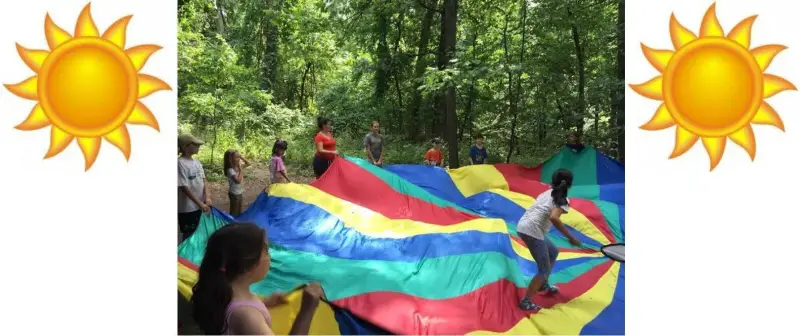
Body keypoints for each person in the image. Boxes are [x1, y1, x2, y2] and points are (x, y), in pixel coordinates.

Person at [191, 222, 325, 335]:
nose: (269, 256)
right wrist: (307, 309)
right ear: (246, 266)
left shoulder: (221, 291)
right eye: (266, 250)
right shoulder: (247, 316)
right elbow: (242, 316)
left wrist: (265, 303)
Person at [516, 169, 583, 311]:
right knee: (544, 268)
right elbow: (554, 218)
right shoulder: (562, 200)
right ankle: (526, 300)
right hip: (531, 230)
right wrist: (571, 237)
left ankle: (543, 284)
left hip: (524, 226)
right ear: (569, 185)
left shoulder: (545, 193)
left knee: (552, 251)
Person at [179, 134, 211, 242]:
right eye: (195, 144)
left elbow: (204, 180)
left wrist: (207, 197)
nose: (198, 146)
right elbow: (184, 187)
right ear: (185, 146)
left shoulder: (197, 163)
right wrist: (200, 203)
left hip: (200, 205)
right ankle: (185, 257)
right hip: (188, 208)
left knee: (198, 230)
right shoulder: (179, 163)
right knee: (188, 235)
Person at [224, 150, 250, 217]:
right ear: (230, 159)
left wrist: (241, 157)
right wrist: (241, 169)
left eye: (238, 157)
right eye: (236, 157)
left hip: (239, 192)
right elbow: (238, 181)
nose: (238, 159)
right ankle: (232, 224)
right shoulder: (230, 170)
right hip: (234, 193)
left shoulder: (238, 166)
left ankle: (237, 223)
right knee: (234, 212)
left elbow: (248, 163)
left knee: (239, 211)